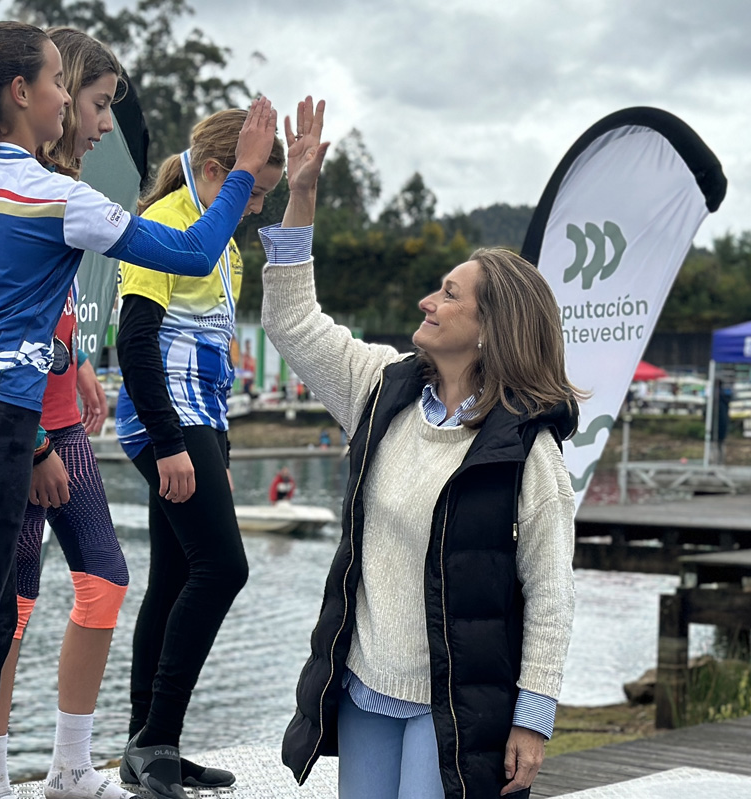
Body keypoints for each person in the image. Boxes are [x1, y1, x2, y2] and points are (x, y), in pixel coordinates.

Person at [0, 20, 276, 799]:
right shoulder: (58, 197)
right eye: (61, 86)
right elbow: (192, 251)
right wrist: (242, 173)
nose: (70, 102)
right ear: (22, 93)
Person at [261, 98, 581, 799]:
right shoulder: (381, 387)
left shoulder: (529, 452)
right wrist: (302, 197)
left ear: (490, 328)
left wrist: (532, 718)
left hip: (457, 708)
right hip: (365, 688)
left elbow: (552, 592)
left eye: (448, 294)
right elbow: (291, 321)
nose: (426, 303)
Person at [0, 28, 138, 799]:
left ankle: (70, 766)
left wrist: (77, 367)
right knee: (9, 606)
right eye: (99, 104)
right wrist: (38, 435)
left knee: (104, 580)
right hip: (20, 431)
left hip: (62, 415)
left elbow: (47, 308)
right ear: (58, 94)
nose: (105, 124)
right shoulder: (16, 186)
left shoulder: (63, 183)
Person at [114, 108, 286, 799]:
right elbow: (134, 342)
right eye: (254, 191)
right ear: (217, 172)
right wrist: (167, 443)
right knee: (223, 569)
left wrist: (220, 450)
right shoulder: (164, 221)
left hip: (203, 420)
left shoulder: (226, 249)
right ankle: (157, 736)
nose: (256, 206)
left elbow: (211, 359)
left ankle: (148, 745)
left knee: (174, 575)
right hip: (165, 420)